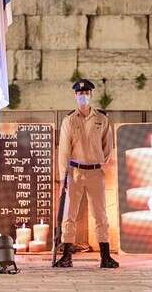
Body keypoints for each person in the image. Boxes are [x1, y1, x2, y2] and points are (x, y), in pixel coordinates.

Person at [55, 79, 119, 268]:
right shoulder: (69, 120)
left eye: (86, 93)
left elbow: (108, 146)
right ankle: (66, 255)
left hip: (94, 172)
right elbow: (64, 150)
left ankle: (105, 256)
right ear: (75, 96)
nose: (83, 96)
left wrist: (101, 161)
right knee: (69, 214)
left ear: (91, 95)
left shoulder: (102, 119)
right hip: (74, 172)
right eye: (80, 94)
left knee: (100, 215)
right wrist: (62, 177)